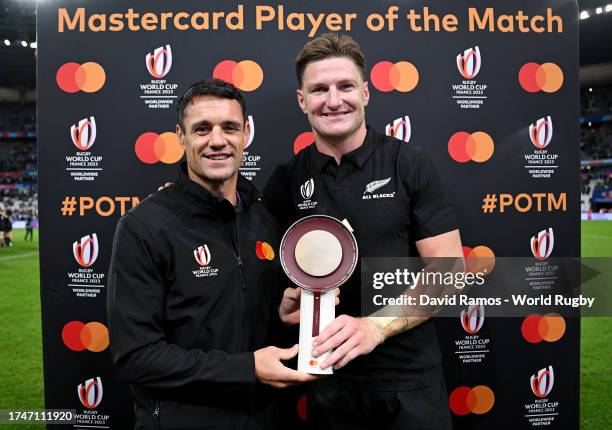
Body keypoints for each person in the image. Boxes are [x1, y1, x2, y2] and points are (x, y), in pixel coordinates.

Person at [265, 33, 464, 429]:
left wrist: (376, 325)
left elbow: (450, 270)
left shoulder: (410, 164)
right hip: (327, 380)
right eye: (319, 89)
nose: (334, 100)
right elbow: (268, 276)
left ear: (367, 93)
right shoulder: (286, 179)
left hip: (408, 382)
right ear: (302, 100)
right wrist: (284, 304)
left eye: (346, 86)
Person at [107, 79, 315, 430]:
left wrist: (282, 313)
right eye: (202, 129)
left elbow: (244, 321)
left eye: (230, 127)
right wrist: (246, 369)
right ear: (180, 136)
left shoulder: (266, 218)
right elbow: (136, 357)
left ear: (246, 133)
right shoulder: (144, 227)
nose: (217, 141)